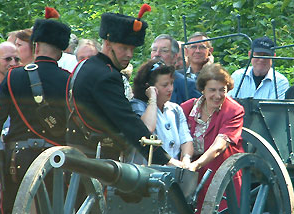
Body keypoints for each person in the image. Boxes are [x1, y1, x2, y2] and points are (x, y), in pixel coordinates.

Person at [66, 6, 182, 167]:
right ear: (107, 43)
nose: (129, 54)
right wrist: (165, 160)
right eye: (123, 48)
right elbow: (128, 123)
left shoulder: (86, 65)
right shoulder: (107, 75)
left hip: (76, 149)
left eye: (132, 49)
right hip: (98, 159)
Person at [0, 18, 71, 214]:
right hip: (57, 162)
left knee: (11, 212)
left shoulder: (13, 77)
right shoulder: (69, 80)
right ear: (61, 51)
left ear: (36, 46)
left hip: (18, 161)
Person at [181, 63, 244, 214]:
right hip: (191, 176)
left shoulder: (234, 110)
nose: (217, 95)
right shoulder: (187, 108)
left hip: (221, 177)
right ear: (203, 90)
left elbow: (219, 146)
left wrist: (196, 164)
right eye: (212, 90)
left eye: (222, 90)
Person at [129, 58, 193, 166]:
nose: (170, 89)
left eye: (171, 83)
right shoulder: (136, 106)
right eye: (165, 85)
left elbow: (186, 139)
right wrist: (152, 99)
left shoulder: (175, 109)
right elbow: (147, 128)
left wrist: (186, 159)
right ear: (148, 86)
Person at [150, 34, 201, 105]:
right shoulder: (143, 80)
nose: (157, 54)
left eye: (164, 51)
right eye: (154, 50)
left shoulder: (186, 85)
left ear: (174, 57)